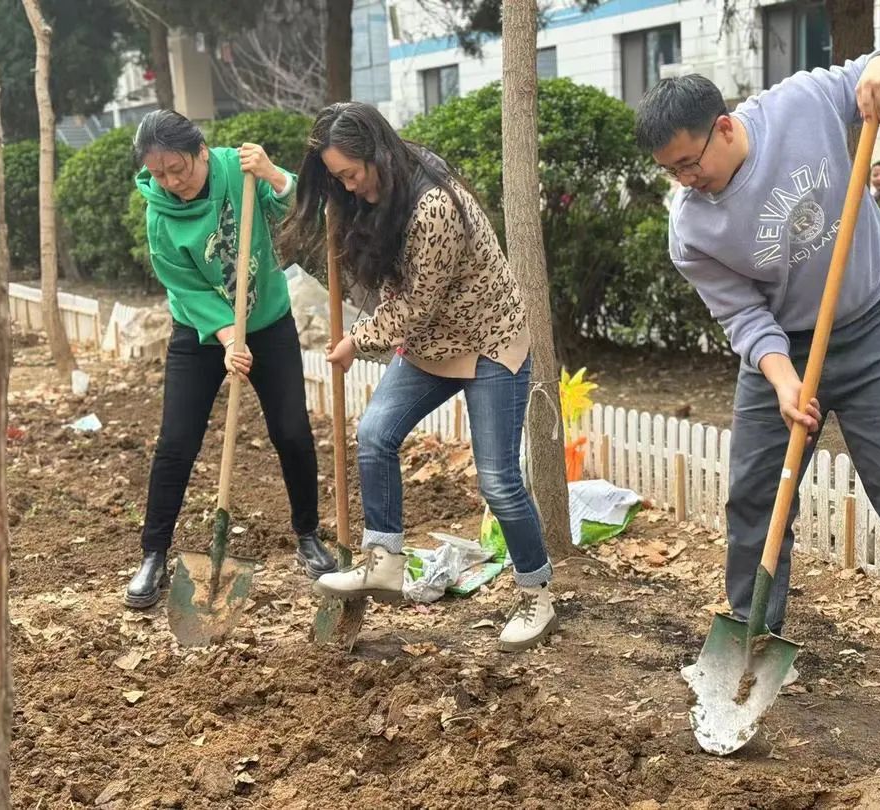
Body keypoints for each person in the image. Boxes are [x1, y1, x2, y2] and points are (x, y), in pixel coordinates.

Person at [634, 52, 880, 706]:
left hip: (877, 323)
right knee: (755, 492)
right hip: (786, 347)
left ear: (724, 126)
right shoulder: (691, 226)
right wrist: (781, 377)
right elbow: (741, 314)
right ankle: (753, 638)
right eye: (670, 171)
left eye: (690, 162)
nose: (686, 180)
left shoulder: (798, 104)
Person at [278, 102, 557, 652]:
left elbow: (417, 305)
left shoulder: (432, 204)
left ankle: (537, 593)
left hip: (487, 345)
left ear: (377, 154)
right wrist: (320, 190)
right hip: (431, 346)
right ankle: (383, 561)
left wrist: (357, 342)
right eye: (339, 179)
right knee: (375, 436)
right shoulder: (376, 189)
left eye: (351, 175)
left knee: (498, 481)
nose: (349, 188)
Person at [124, 110, 337, 608]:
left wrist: (272, 173)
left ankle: (307, 535)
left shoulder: (236, 171)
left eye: (180, 168)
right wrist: (225, 335)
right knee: (176, 442)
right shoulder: (159, 215)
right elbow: (184, 285)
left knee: (291, 431)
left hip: (268, 321)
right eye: (159, 173)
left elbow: (303, 208)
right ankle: (153, 554)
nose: (172, 182)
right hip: (200, 331)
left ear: (201, 151)